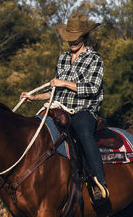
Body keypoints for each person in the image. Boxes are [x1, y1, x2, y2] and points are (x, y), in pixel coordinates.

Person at [20, 13, 108, 204]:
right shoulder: (62, 59)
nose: (72, 42)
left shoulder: (95, 59)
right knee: (36, 131)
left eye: (75, 38)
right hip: (59, 107)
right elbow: (55, 91)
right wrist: (33, 97)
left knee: (84, 133)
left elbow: (92, 89)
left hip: (83, 110)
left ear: (84, 37)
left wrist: (65, 83)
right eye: (69, 39)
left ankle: (100, 183)